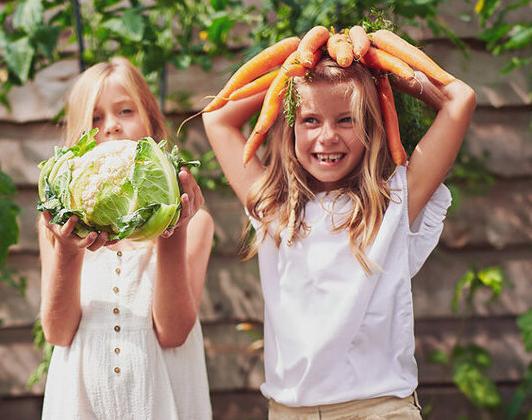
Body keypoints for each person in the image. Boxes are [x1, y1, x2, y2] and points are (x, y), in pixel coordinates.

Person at [203, 55, 476, 418]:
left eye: (346, 119)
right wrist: (294, 66)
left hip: (378, 410)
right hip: (289, 412)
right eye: (310, 120)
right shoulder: (274, 208)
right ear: (289, 127)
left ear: (370, 124)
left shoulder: (393, 201)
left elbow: (459, 99)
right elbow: (217, 118)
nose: (327, 136)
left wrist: (381, 66)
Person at [38, 57, 215, 419]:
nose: (112, 127)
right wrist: (69, 252)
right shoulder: (57, 226)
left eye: (125, 111)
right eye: (95, 118)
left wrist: (172, 231)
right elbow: (57, 332)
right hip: (80, 401)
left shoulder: (196, 224)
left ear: (151, 122)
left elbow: (173, 333)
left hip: (161, 399)